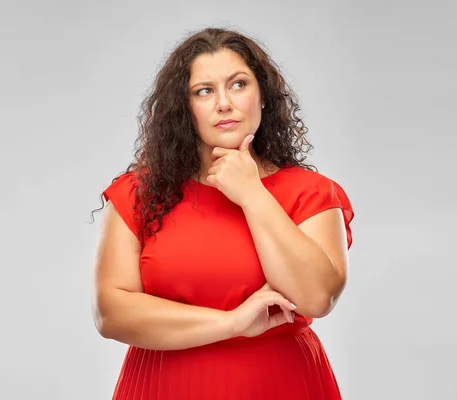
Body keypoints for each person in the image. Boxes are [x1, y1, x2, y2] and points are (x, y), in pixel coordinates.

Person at [91, 27, 355, 400]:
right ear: (185, 109)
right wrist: (231, 323)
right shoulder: (138, 194)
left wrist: (252, 193)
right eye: (204, 91)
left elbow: (316, 298)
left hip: (280, 385)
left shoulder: (312, 193)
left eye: (238, 84)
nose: (224, 104)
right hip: (165, 385)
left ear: (263, 96)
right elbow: (111, 313)